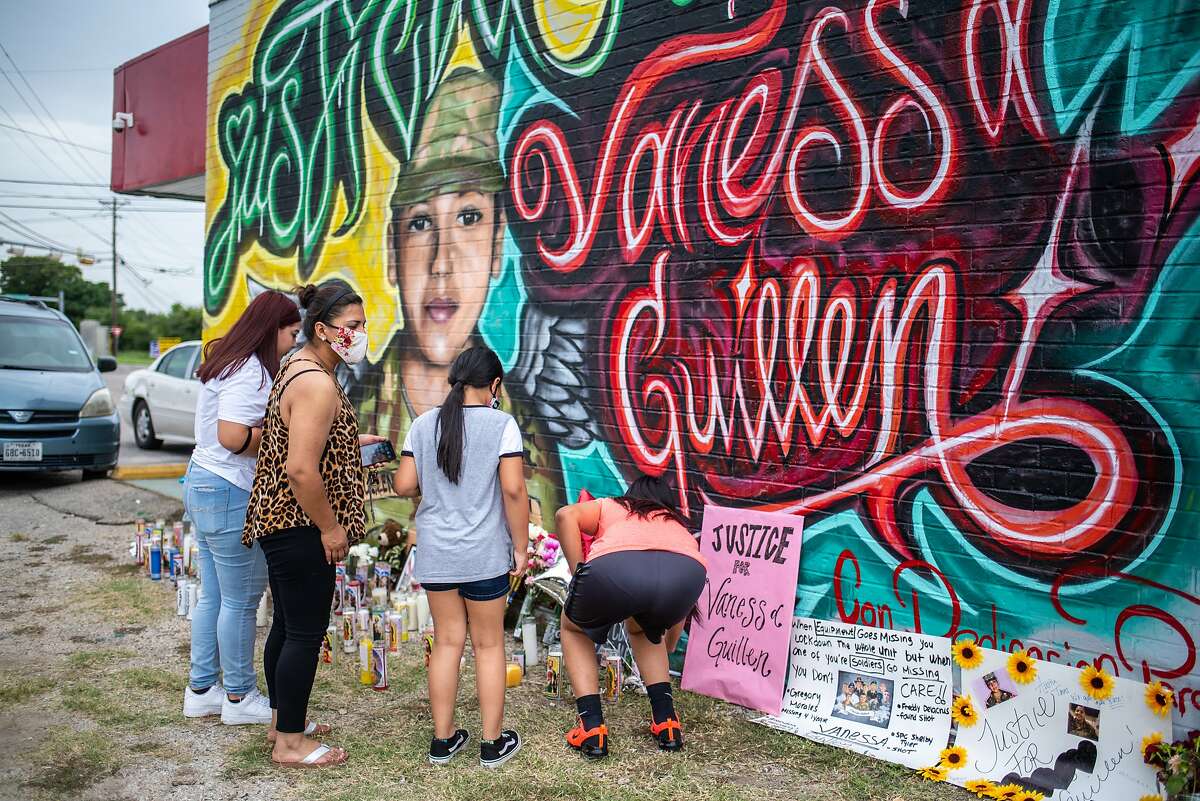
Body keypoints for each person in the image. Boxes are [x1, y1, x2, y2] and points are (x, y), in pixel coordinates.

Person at [351, 69, 562, 531]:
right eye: (422, 222)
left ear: (496, 243)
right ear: (393, 250)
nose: (441, 263)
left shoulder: (525, 434)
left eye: (469, 217)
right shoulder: (351, 411)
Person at [243, 282, 382, 768]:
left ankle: (285, 722)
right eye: (352, 327)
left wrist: (349, 438)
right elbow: (301, 468)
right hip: (299, 524)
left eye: (363, 325)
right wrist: (330, 528)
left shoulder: (298, 366)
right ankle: (290, 744)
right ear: (322, 329)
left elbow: (301, 437)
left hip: (280, 520)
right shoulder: (317, 382)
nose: (360, 335)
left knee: (288, 625)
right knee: (304, 631)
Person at [391, 345, 529, 768]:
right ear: (494, 385)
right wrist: (522, 548)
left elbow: (402, 485)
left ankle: (443, 740)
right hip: (484, 554)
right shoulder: (502, 425)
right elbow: (513, 490)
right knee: (489, 646)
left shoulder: (422, 424)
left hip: (437, 553)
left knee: (447, 642)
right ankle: (491, 744)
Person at [182, 290, 300, 726]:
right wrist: (280, 438)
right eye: (291, 333)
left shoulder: (228, 361)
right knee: (241, 600)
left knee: (214, 595)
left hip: (204, 483)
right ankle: (238, 696)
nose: (293, 343)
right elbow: (233, 436)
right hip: (230, 490)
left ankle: (202, 689)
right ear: (272, 330)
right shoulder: (250, 371)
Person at [554, 474, 708, 759]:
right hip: (689, 572)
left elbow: (565, 515)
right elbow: (669, 640)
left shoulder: (613, 506)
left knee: (574, 629)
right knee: (645, 631)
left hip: (615, 566)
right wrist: (662, 638)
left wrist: (579, 573)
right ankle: (667, 723)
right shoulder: (678, 528)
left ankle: (591, 727)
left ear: (631, 496)